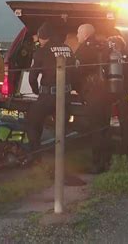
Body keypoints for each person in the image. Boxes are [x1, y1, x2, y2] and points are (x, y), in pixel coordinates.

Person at [26, 22, 75, 161]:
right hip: (66, 95)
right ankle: (60, 156)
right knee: (62, 127)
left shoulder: (42, 51)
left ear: (43, 37)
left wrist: (36, 91)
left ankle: (36, 156)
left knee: (33, 121)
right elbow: (76, 70)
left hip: (48, 96)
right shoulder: (67, 48)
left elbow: (32, 76)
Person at [75, 24, 112, 174]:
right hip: (107, 93)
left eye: (78, 33)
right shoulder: (104, 46)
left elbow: (76, 72)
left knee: (96, 130)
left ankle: (97, 165)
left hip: (93, 93)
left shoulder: (84, 49)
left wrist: (79, 92)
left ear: (85, 34)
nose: (77, 36)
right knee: (105, 128)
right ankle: (107, 161)